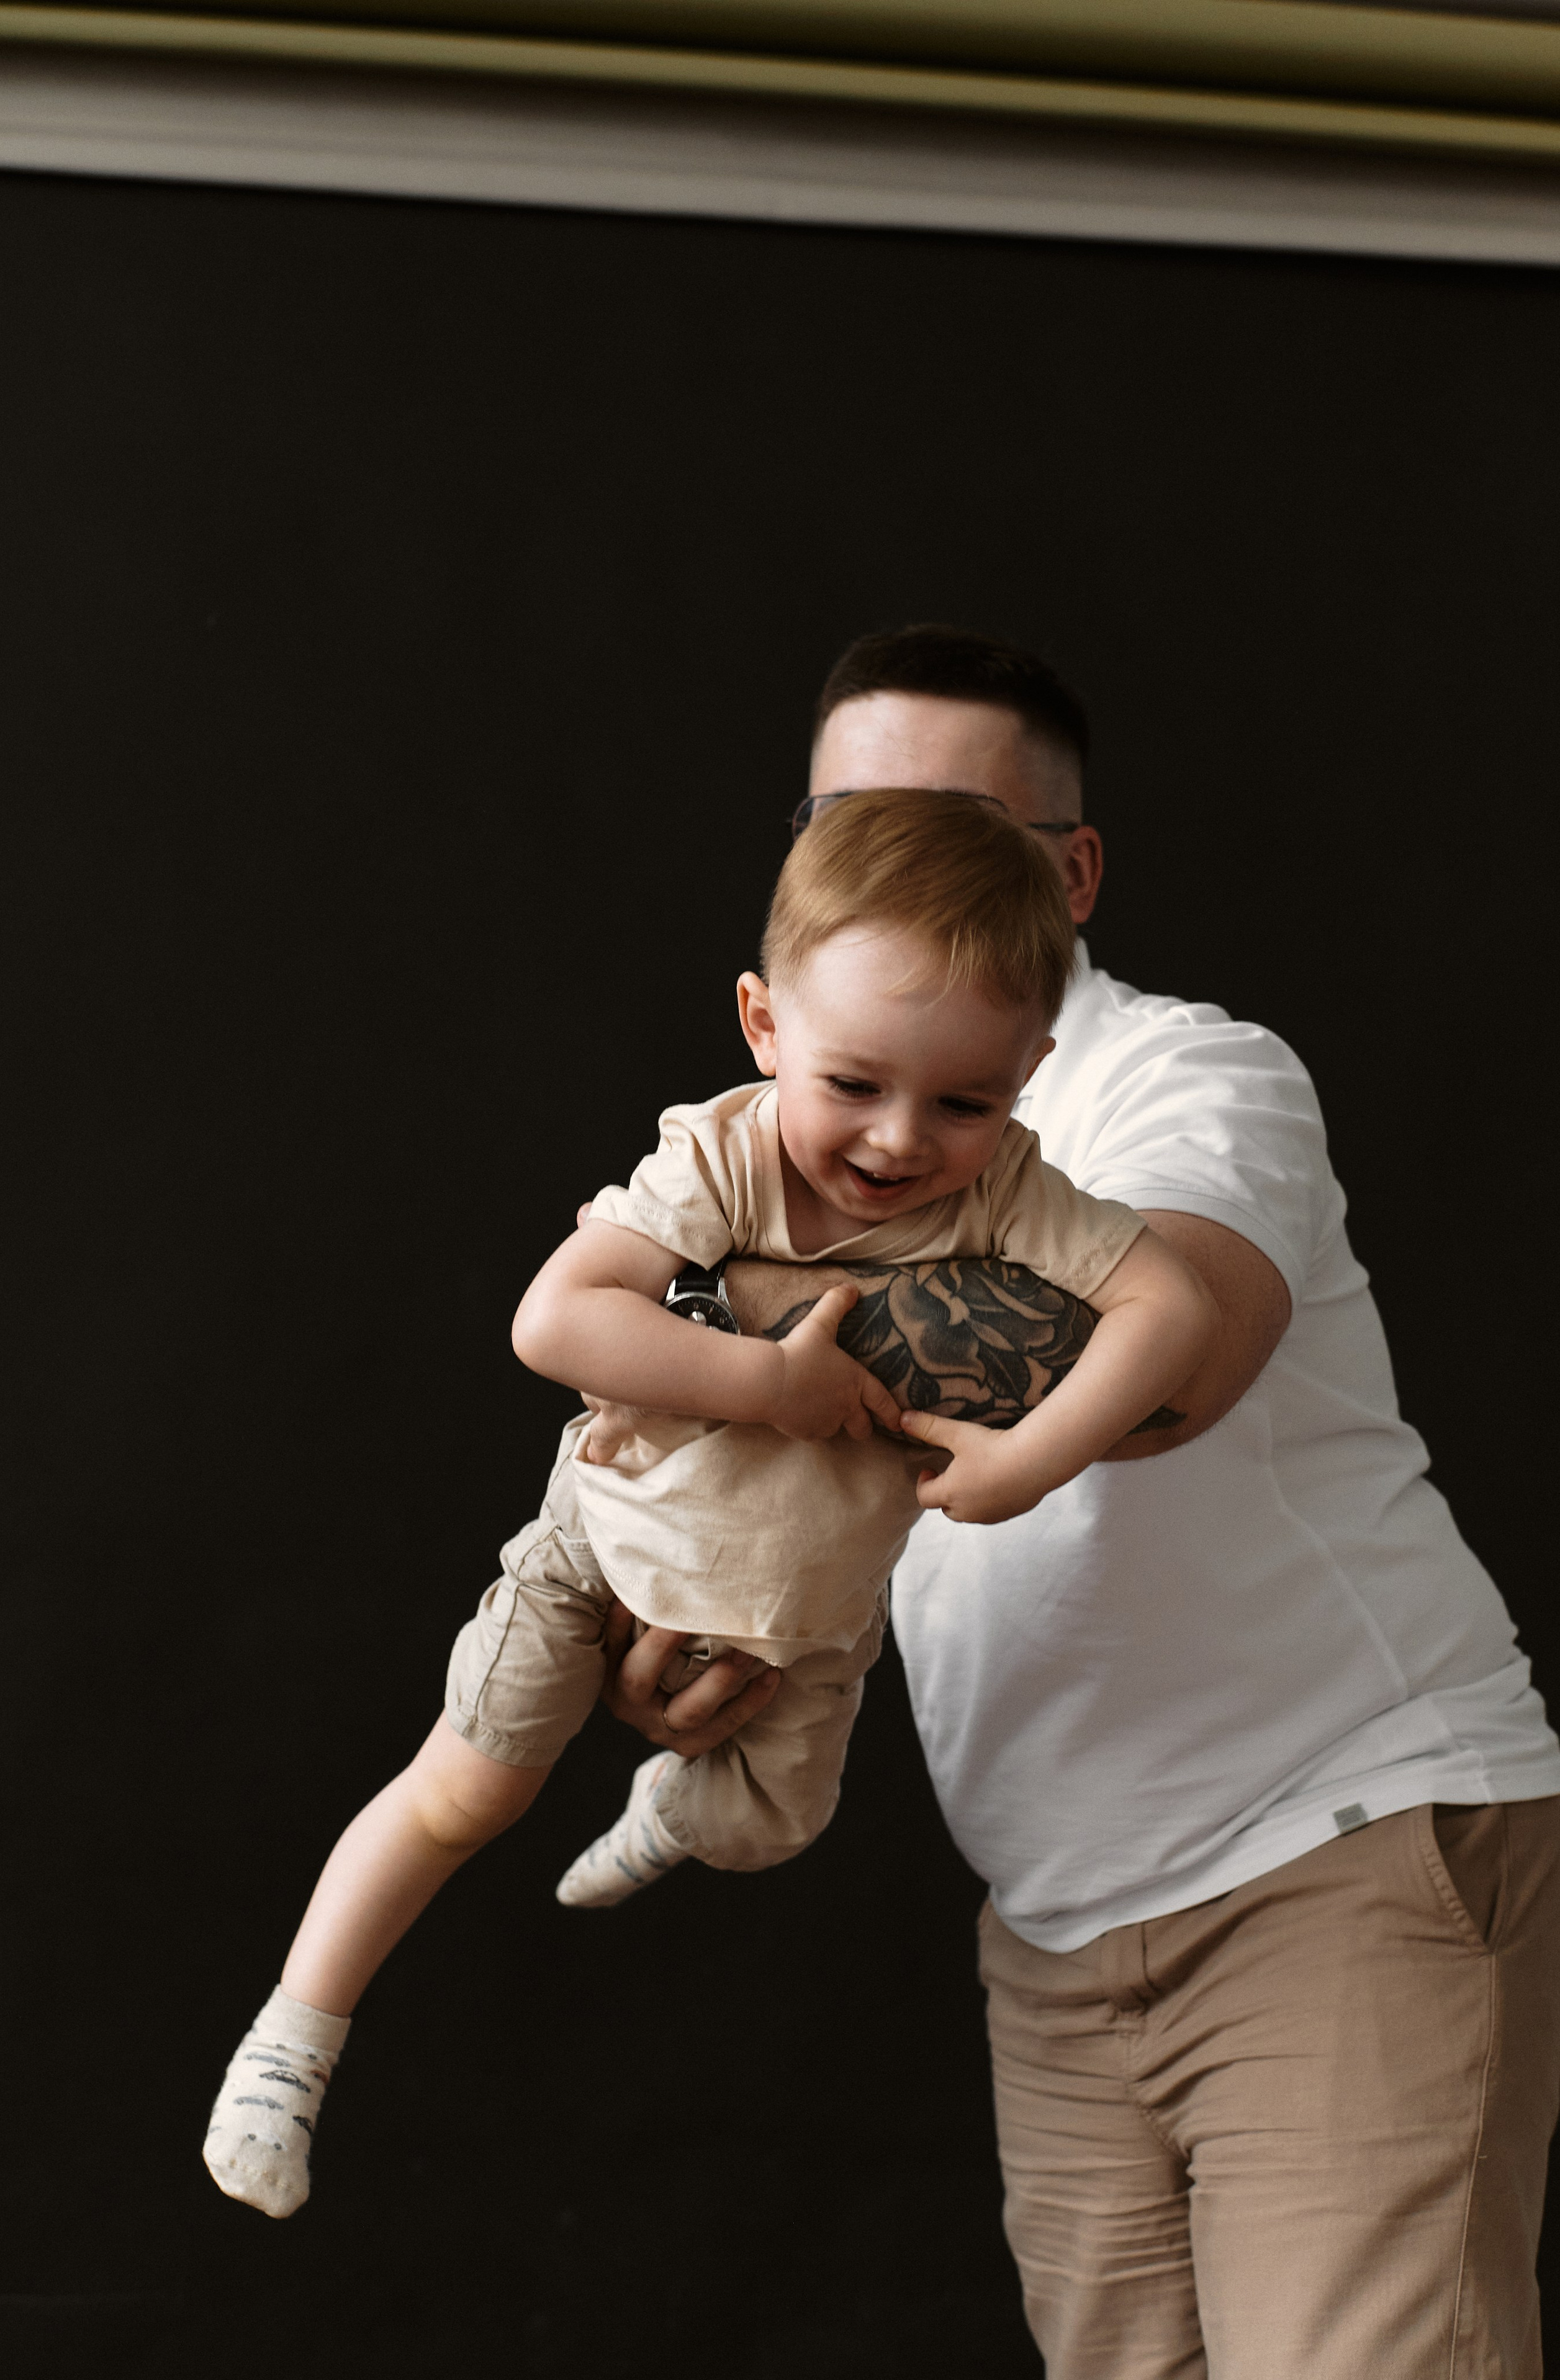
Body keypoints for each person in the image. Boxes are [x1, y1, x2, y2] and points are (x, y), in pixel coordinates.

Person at [603, 626, 1560, 2379]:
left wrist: (684, 1318)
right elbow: (847, 1479)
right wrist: (726, 1634)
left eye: (958, 816)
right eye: (850, 814)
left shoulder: (1184, 1079)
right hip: (1054, 1914)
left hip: (1330, 1849)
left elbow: (1158, 1351)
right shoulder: (806, 1149)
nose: (911, 858)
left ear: (1075, 868)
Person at [201, 784, 1212, 2223]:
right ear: (763, 1027)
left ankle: (669, 1812)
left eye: (964, 1101)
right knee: (465, 1788)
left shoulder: (1008, 1196)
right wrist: (767, 1384)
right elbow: (554, 1319)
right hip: (608, 1542)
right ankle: (293, 2038)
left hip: (801, 1615)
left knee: (767, 1828)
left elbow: (1166, 1303)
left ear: (1027, 1073)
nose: (894, 1142)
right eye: (851, 1083)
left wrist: (1031, 1460)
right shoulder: (726, 1153)